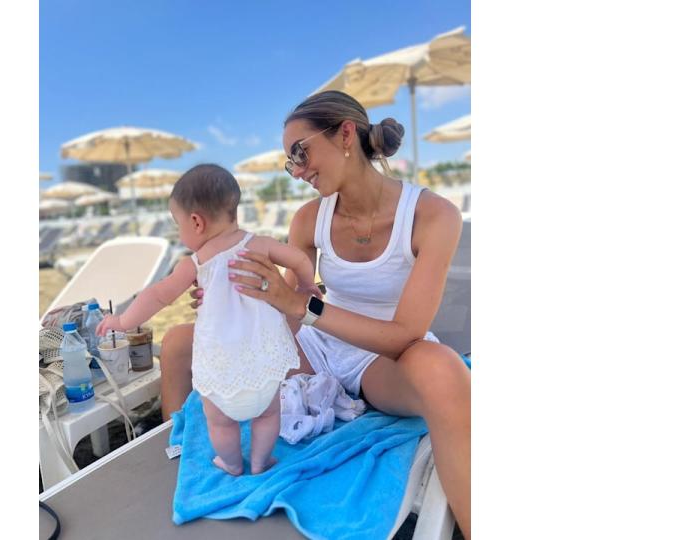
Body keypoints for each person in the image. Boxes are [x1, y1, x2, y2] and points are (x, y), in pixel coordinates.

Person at [159, 91, 471, 537]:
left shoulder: (432, 215)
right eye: (291, 162)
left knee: (443, 370)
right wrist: (236, 305)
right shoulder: (309, 219)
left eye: (301, 153)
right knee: (177, 344)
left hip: (380, 357)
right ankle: (184, 460)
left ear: (346, 134)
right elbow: (287, 310)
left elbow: (405, 334)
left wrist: (300, 306)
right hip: (314, 340)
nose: (298, 171)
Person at [97, 164, 321, 476]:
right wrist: (308, 285)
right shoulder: (260, 244)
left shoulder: (196, 263)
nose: (180, 232)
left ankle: (230, 463)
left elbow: (158, 296)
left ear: (196, 222)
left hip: (221, 372)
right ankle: (260, 461)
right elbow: (298, 258)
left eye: (178, 225)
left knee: (220, 421)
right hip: (265, 366)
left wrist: (121, 320)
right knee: (268, 416)